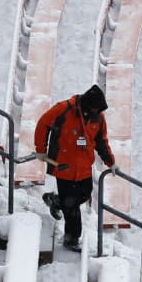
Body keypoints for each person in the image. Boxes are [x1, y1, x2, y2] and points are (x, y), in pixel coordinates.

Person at [33, 84, 116, 252]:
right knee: (71, 206)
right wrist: (41, 150)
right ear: (87, 103)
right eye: (94, 108)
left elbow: (101, 141)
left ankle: (55, 201)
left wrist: (110, 162)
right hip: (63, 166)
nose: (97, 112)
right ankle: (72, 238)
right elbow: (43, 124)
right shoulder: (63, 109)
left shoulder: (98, 118)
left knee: (84, 195)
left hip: (84, 167)